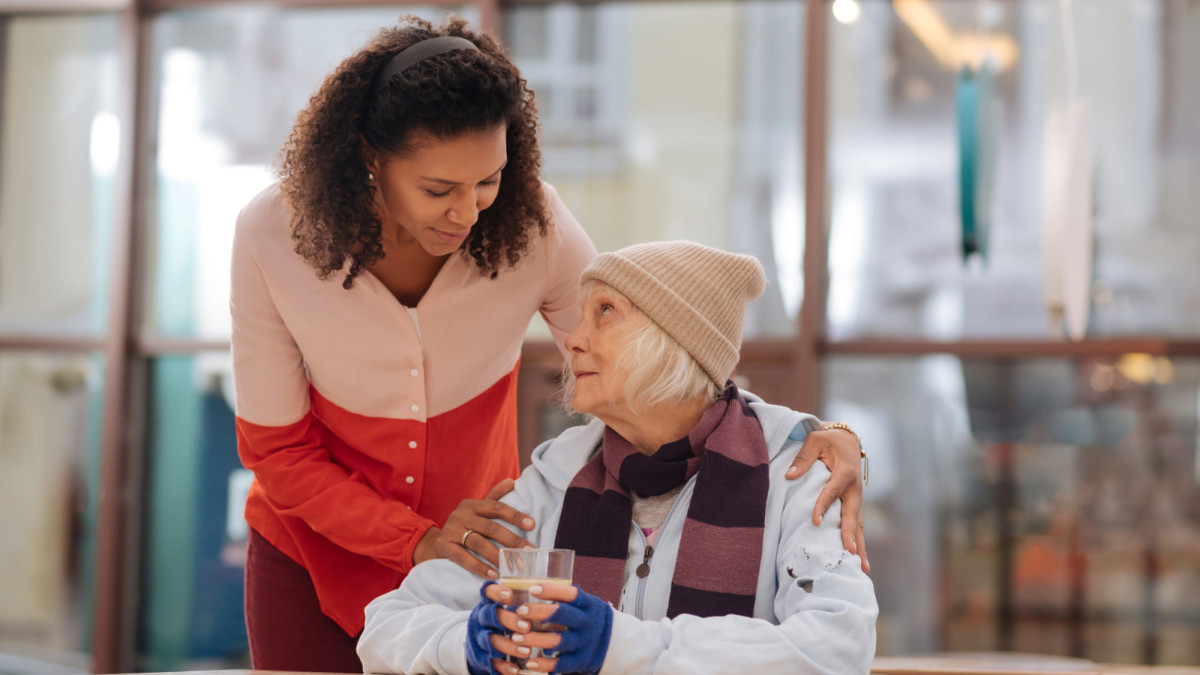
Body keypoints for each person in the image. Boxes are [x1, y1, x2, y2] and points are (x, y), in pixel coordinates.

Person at [232, 13, 867, 673]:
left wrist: (799, 436)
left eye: (488, 179)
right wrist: (413, 538)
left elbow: (651, 357)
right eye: (438, 189)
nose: (469, 210)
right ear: (370, 156)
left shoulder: (532, 224)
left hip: (475, 542)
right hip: (309, 551)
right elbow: (277, 449)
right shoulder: (271, 237)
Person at [357, 241, 878, 675]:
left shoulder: (795, 474)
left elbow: (839, 643)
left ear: (676, 342)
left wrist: (621, 645)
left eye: (605, 312)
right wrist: (467, 642)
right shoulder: (552, 482)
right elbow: (386, 626)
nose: (574, 342)